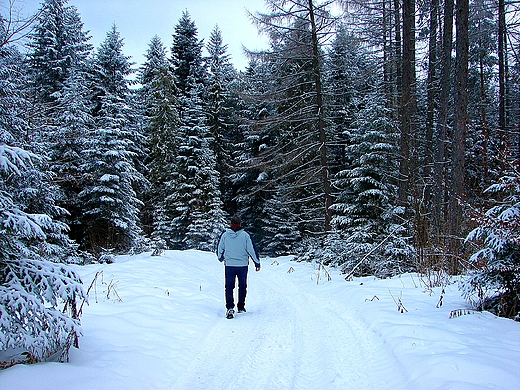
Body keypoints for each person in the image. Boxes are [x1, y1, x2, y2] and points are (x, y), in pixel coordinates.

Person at [216, 215, 261, 319]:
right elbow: (251, 250)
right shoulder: (245, 235)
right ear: (240, 224)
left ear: (231, 224)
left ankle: (230, 308)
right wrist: (257, 263)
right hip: (243, 266)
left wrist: (220, 257)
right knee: (242, 286)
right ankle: (241, 306)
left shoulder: (225, 235)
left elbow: (219, 248)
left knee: (229, 287)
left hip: (229, 265)